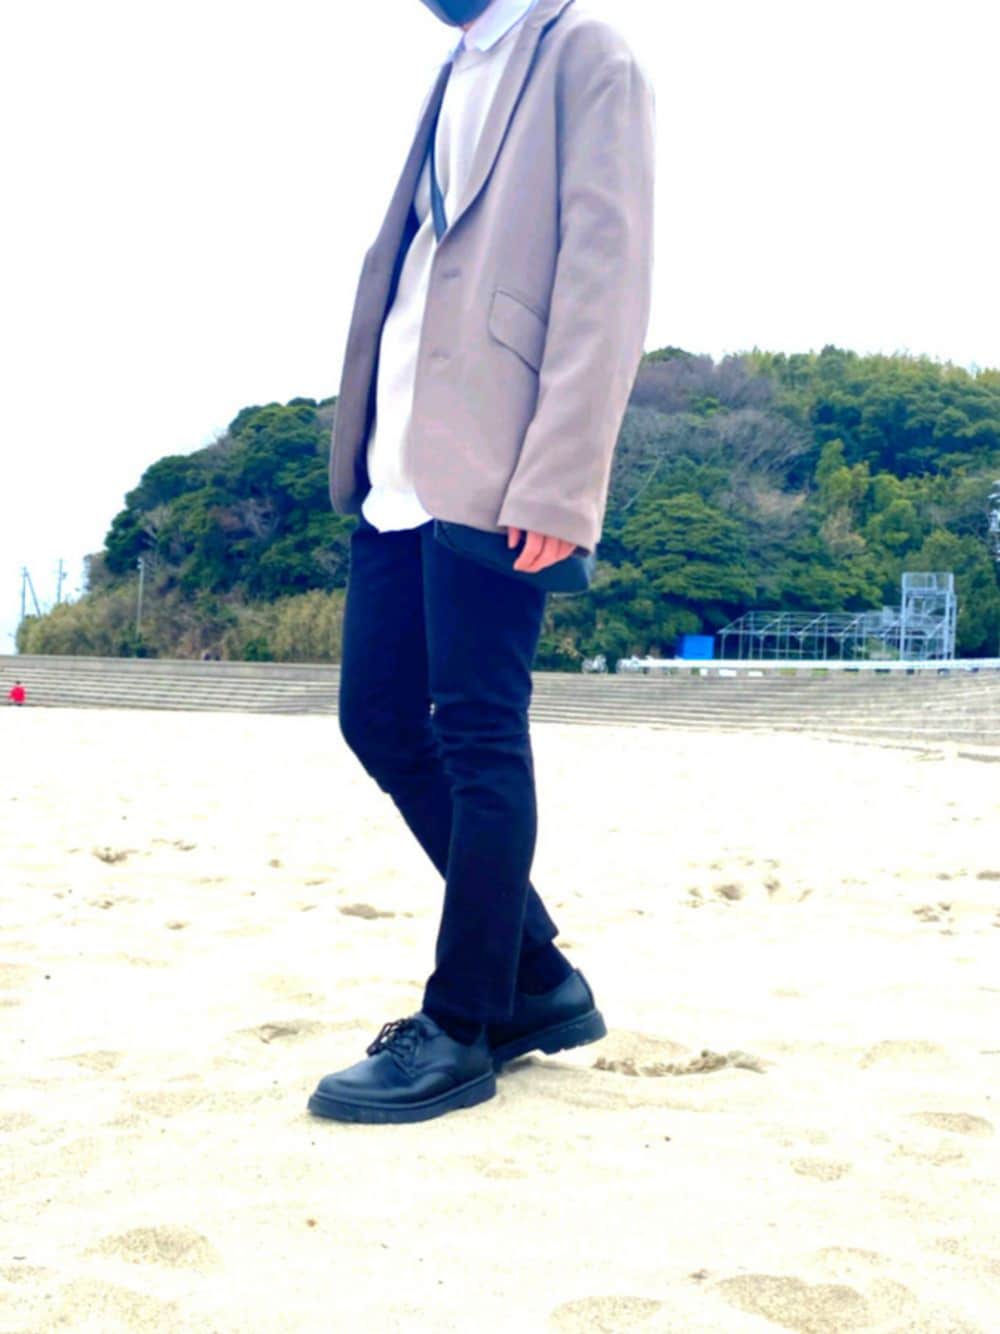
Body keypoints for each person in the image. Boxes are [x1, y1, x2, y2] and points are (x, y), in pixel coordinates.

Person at [310, 0, 655, 1124]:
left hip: (499, 465)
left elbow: (606, 281)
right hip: (395, 461)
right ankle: (536, 974)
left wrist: (561, 481)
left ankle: (463, 1022)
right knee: (378, 718)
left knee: (477, 730)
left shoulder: (584, 51)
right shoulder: (454, 67)